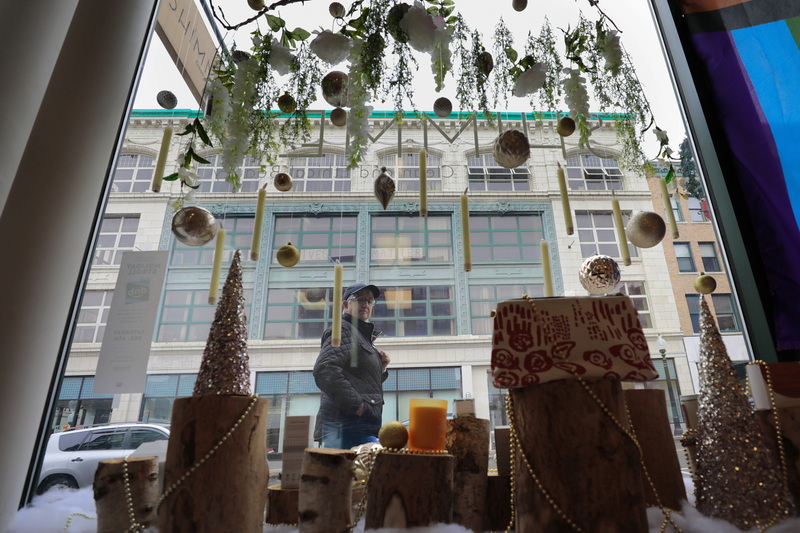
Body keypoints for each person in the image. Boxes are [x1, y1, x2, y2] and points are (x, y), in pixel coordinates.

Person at [313, 283, 391, 448]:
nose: (366, 304)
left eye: (370, 301)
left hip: (356, 428)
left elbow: (361, 383)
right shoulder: (344, 329)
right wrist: (357, 405)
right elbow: (325, 369)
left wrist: (380, 368)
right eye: (360, 299)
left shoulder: (359, 334)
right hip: (347, 428)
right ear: (346, 305)